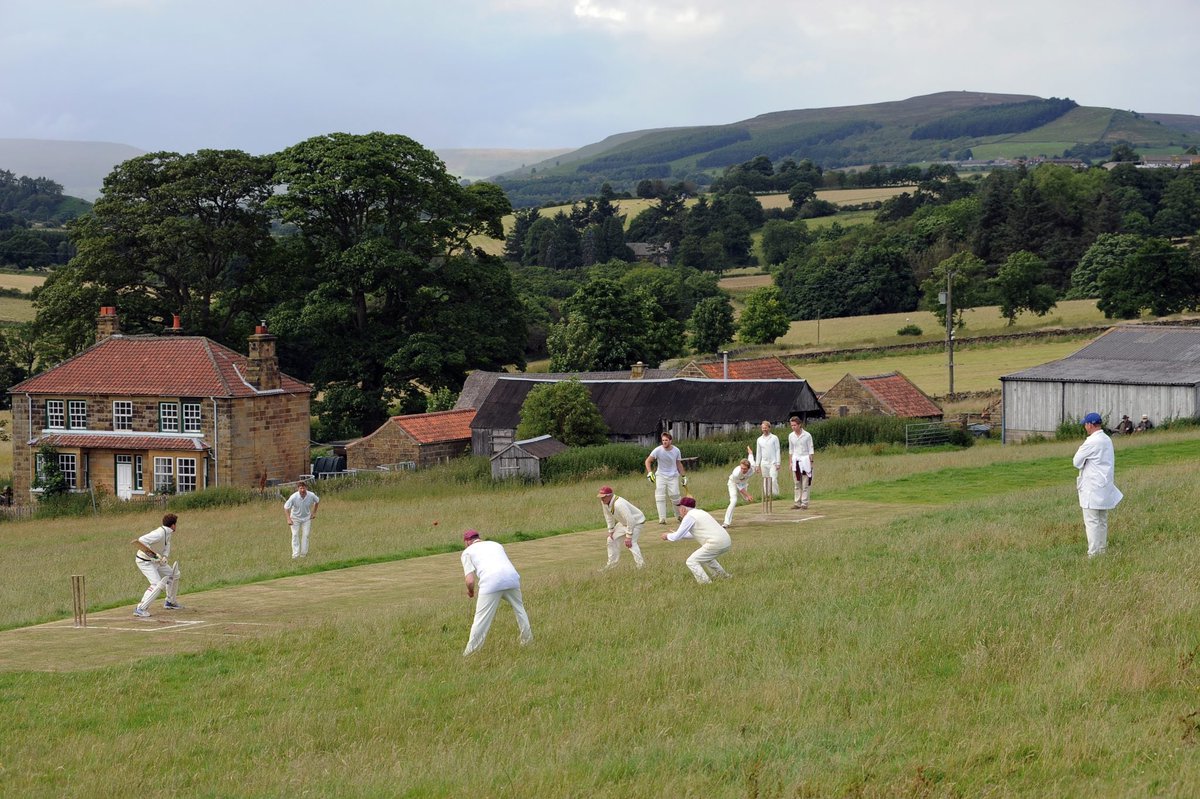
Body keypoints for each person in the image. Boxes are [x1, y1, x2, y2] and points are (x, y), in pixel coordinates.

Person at [460, 529, 533, 656]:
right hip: (512, 578)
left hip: (490, 582)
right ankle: (527, 641)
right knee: (520, 610)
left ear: (467, 542)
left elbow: (470, 581)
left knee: (481, 619)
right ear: (479, 537)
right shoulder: (496, 544)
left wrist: (470, 592)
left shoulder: (467, 552)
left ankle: (470, 653)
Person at [1073, 412, 1123, 558]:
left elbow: (1076, 461)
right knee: (1101, 520)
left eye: (1085, 424)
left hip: (1092, 488)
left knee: (1092, 521)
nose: (1085, 427)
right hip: (1104, 486)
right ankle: (1101, 549)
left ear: (1090, 425)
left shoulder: (1091, 442)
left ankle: (1093, 553)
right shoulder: (1107, 439)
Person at [660, 497, 732, 584]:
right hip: (726, 541)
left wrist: (667, 536)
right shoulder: (700, 512)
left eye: (679, 508)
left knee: (691, 561)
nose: (679, 510)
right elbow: (692, 534)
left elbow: (676, 536)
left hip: (716, 543)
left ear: (683, 509)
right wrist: (677, 534)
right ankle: (724, 576)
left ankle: (705, 583)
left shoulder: (689, 517)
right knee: (707, 558)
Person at [131, 513, 183, 617]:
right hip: (145, 562)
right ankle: (140, 608)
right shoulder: (159, 533)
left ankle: (170, 602)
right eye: (176, 524)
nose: (176, 526)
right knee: (156, 584)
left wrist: (164, 557)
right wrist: (154, 556)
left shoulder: (168, 533)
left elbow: (167, 544)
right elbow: (141, 541)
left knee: (175, 574)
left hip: (157, 561)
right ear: (173, 525)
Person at [598, 485, 646, 569]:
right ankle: (611, 566)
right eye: (601, 497)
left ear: (609, 495)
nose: (602, 499)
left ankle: (641, 566)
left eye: (604, 497)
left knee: (631, 543)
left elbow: (631, 520)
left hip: (637, 522)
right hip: (624, 523)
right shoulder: (604, 502)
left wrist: (628, 536)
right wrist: (611, 530)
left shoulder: (618, 504)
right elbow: (608, 516)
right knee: (610, 540)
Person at [644, 431, 686, 524]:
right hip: (661, 476)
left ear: (670, 441)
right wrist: (650, 473)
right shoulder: (657, 450)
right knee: (660, 496)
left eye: (666, 440)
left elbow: (678, 463)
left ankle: (679, 516)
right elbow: (648, 461)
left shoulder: (676, 450)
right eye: (663, 440)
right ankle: (662, 519)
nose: (664, 442)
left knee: (675, 496)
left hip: (673, 476)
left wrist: (683, 476)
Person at [283, 481, 320, 558]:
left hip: (307, 518)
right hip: (295, 518)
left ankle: (303, 554)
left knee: (306, 535)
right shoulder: (294, 497)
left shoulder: (311, 495)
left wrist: (314, 513)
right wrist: (288, 519)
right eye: (301, 488)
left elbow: (317, 501)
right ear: (298, 489)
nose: (302, 490)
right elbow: (286, 507)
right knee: (295, 535)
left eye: (304, 488)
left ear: (306, 488)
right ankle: (295, 555)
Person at [723, 446, 757, 528]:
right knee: (734, 500)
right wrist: (748, 495)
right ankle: (726, 522)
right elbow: (740, 488)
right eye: (741, 468)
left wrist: (749, 451)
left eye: (745, 469)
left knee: (746, 499)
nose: (743, 470)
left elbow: (751, 456)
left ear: (749, 468)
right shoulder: (736, 473)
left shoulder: (753, 467)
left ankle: (746, 498)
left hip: (744, 483)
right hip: (733, 483)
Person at [787, 416, 814, 510]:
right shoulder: (791, 435)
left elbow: (811, 449)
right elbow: (791, 450)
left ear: (799, 425)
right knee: (797, 483)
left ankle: (804, 503)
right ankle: (797, 503)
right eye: (792, 425)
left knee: (805, 483)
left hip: (805, 460)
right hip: (796, 461)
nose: (793, 427)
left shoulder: (807, 435)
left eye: (794, 425)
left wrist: (811, 462)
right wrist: (790, 463)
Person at [754, 420, 781, 499]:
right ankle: (767, 496)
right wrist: (757, 465)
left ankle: (776, 495)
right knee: (766, 480)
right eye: (763, 428)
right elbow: (758, 452)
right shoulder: (759, 439)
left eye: (765, 428)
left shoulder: (774, 438)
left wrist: (778, 462)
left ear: (769, 428)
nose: (764, 429)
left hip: (773, 462)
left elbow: (777, 450)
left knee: (773, 479)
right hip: (764, 463)